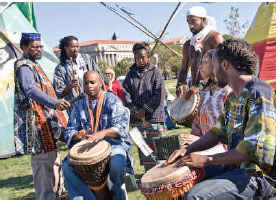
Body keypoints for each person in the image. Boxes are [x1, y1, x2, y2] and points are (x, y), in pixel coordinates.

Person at [165, 39, 276, 200]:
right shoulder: (234, 97)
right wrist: (188, 150)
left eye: (214, 64)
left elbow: (253, 151)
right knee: (181, 181)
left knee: (196, 196)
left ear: (224, 65)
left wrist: (206, 160)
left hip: (262, 177)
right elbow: (217, 133)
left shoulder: (260, 94)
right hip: (238, 168)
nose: (213, 70)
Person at [14, 33, 71, 200]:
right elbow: (30, 90)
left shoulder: (34, 65)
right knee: (42, 165)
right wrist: (54, 103)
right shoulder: (24, 66)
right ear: (24, 47)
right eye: (35, 46)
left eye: (40, 46)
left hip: (46, 123)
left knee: (53, 160)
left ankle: (56, 194)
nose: (39, 49)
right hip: (37, 125)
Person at [62, 70, 133, 200]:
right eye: (86, 83)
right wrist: (77, 135)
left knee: (117, 163)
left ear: (100, 83)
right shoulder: (79, 105)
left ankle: (118, 196)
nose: (89, 86)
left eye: (92, 82)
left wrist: (104, 133)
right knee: (66, 166)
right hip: (87, 147)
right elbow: (69, 130)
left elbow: (121, 127)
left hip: (112, 145)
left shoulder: (112, 100)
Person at [122, 43, 166, 171]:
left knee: (160, 150)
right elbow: (126, 95)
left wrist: (145, 110)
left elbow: (159, 95)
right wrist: (135, 110)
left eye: (143, 57)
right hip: (138, 120)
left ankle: (163, 176)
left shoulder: (155, 72)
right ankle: (150, 175)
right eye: (137, 58)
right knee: (145, 152)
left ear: (148, 57)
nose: (140, 60)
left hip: (155, 118)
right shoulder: (130, 75)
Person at [180, 49, 231, 146]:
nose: (200, 66)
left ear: (216, 65)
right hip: (205, 147)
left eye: (205, 62)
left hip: (222, 151)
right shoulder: (204, 93)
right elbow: (197, 124)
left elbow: (230, 132)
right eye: (201, 62)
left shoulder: (227, 93)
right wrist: (191, 140)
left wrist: (200, 141)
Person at [176, 6, 224, 99]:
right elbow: (183, 70)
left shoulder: (215, 38)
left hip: (215, 93)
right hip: (195, 94)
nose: (190, 26)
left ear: (203, 20)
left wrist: (201, 87)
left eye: (193, 21)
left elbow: (224, 68)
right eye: (188, 22)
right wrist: (180, 84)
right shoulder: (188, 45)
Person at [53, 35, 104, 115]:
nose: (76, 49)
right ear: (66, 48)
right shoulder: (60, 68)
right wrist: (70, 87)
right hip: (75, 108)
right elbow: (59, 93)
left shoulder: (87, 59)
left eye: (77, 46)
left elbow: (99, 77)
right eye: (73, 47)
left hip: (95, 103)